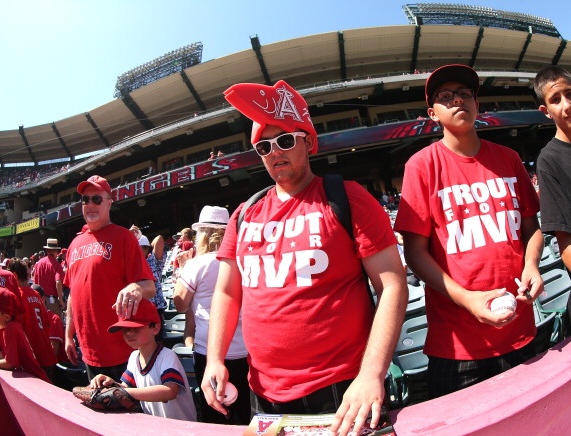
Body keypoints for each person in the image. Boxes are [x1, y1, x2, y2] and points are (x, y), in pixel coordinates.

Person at [202, 80, 407, 436]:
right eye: (264, 146)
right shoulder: (244, 214)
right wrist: (214, 359)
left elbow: (392, 284)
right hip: (263, 392)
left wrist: (371, 374)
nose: (274, 152)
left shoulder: (347, 197)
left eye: (284, 140)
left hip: (343, 388)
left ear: (308, 142)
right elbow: (226, 292)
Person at [394, 64, 544, 399]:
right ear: (433, 114)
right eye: (445, 97)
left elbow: (532, 228)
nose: (457, 100)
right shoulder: (421, 165)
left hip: (520, 330)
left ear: (478, 105)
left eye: (464, 94)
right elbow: (415, 254)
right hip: (457, 346)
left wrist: (532, 264)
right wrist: (467, 300)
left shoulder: (508, 158)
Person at [63, 175, 156, 382]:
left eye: (96, 199)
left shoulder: (124, 238)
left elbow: (149, 287)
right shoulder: (74, 245)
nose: (90, 205)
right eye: (85, 200)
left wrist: (136, 288)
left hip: (123, 350)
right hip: (88, 351)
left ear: (109, 203)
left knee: (129, 410)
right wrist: (68, 335)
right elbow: (72, 296)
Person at [174, 205, 250, 425]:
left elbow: (179, 305)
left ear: (202, 235)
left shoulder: (195, 265)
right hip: (245, 349)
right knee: (244, 411)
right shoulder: (243, 260)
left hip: (209, 350)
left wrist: (181, 272)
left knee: (214, 413)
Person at [88, 298, 196, 421]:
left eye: (135, 328)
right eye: (125, 329)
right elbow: (126, 389)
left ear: (155, 328)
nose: (129, 333)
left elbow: (170, 391)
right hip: (155, 427)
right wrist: (111, 383)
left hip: (182, 428)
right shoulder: (134, 357)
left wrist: (121, 392)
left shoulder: (167, 356)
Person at [534, 66, 571, 272]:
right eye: (555, 99)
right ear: (546, 111)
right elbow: (566, 245)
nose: (566, 105)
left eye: (569, 94)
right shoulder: (549, 161)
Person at [0, 286, 50, 382]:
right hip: (33, 378)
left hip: (36, 380)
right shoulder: (12, 325)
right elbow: (6, 355)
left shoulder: (10, 328)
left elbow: (10, 363)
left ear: (6, 317)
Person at [6, 258, 57, 377]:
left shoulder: (17, 297)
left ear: (14, 275)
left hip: (32, 359)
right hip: (46, 355)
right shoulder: (36, 294)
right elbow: (47, 323)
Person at [130, 226, 168, 341]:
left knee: (158, 341)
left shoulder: (154, 261)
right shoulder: (129, 265)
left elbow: (159, 239)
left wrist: (140, 237)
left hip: (155, 309)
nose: (137, 250)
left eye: (140, 247)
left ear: (147, 249)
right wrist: (130, 238)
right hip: (138, 310)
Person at [32, 238, 65, 317]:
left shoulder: (38, 263)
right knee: (55, 325)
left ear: (47, 250)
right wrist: (60, 300)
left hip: (38, 300)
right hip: (51, 301)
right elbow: (58, 282)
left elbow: (33, 277)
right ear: (56, 251)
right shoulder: (57, 265)